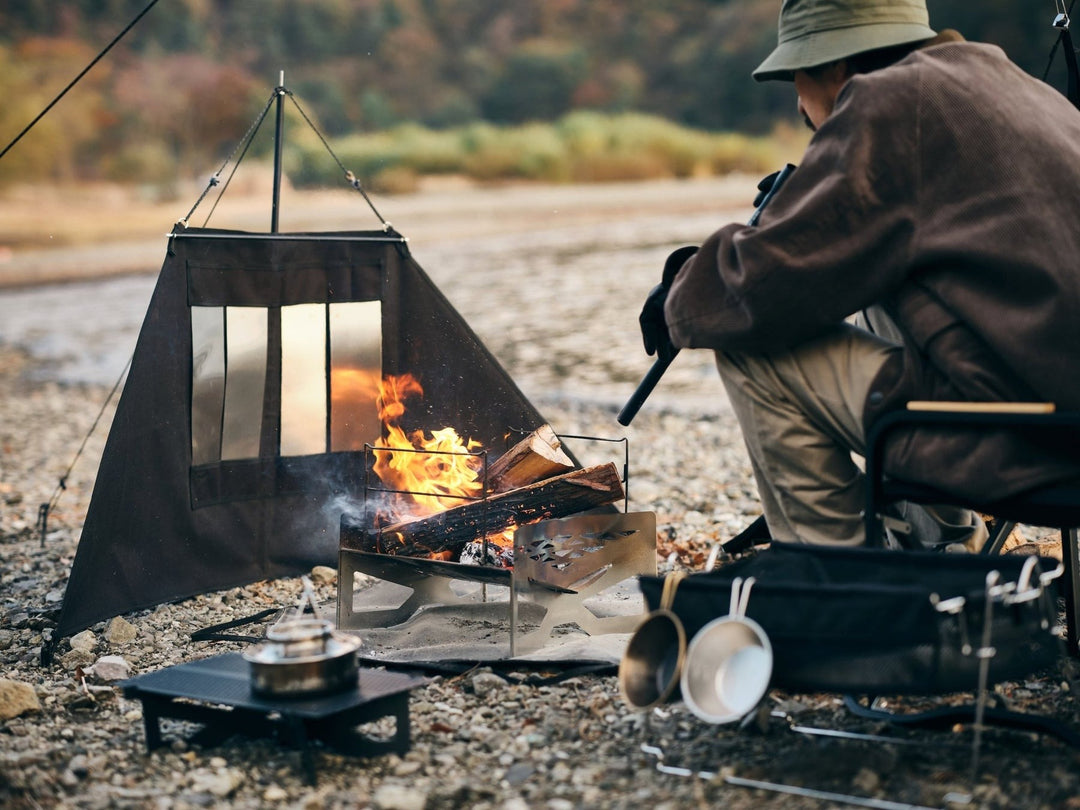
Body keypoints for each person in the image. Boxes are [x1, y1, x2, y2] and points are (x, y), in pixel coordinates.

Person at [640, 0, 1080, 549]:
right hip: (1055, 414)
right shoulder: (1013, 86)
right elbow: (834, 259)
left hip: (1040, 446)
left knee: (751, 355)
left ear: (836, 68)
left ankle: (845, 585)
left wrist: (679, 286)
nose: (801, 105)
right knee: (879, 288)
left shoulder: (890, 102)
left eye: (796, 78)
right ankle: (940, 549)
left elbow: (752, 294)